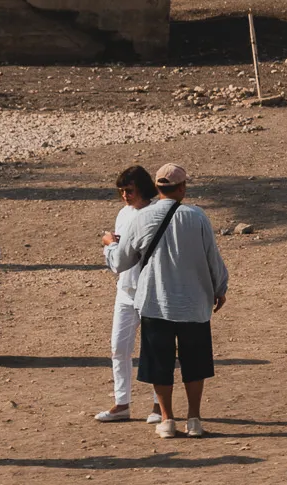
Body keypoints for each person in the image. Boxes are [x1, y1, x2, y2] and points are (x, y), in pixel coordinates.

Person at [106, 163, 229, 440]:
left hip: (155, 302)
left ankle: (166, 419)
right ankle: (194, 419)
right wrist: (220, 287)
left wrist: (109, 245)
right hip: (193, 303)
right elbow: (213, 258)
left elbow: (121, 261)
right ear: (183, 187)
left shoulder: (141, 218)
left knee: (159, 363)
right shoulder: (197, 217)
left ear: (158, 188)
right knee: (194, 363)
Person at [96, 166, 163, 424]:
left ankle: (159, 405)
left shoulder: (154, 213)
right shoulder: (123, 213)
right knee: (118, 347)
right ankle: (121, 402)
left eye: (130, 191)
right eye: (122, 191)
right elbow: (120, 254)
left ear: (143, 189)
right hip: (125, 289)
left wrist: (111, 245)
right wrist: (112, 246)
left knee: (154, 348)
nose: (125, 196)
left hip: (150, 290)